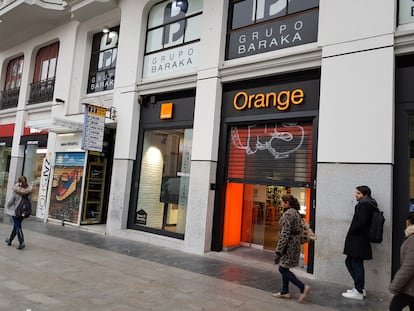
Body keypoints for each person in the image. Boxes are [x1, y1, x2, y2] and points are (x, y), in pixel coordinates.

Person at [273, 194, 311, 302]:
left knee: (282, 268)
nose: (281, 203)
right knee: (285, 267)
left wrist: (279, 250)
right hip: (294, 244)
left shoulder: (288, 214)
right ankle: (285, 292)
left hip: (288, 246)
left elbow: (285, 233)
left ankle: (303, 287)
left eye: (282, 202)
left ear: (287, 203)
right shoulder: (296, 213)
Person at [342, 185, 377, 300]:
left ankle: (358, 290)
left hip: (358, 239)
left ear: (365, 195)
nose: (356, 195)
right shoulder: (369, 203)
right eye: (356, 193)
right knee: (350, 262)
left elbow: (361, 223)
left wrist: (352, 231)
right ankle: (359, 287)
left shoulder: (364, 204)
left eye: (358, 193)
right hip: (360, 239)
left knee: (355, 264)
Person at [389, 212, 414, 310]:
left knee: (394, 307)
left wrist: (395, 286)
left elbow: (409, 265)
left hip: (410, 286)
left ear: (408, 223)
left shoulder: (412, 239)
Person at [4, 176, 33, 250]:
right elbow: (30, 201)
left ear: (19, 182)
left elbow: (11, 201)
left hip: (15, 211)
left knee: (17, 226)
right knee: (16, 226)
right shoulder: (29, 190)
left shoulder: (16, 190)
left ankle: (21, 242)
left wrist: (7, 206)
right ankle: (10, 240)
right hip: (24, 211)